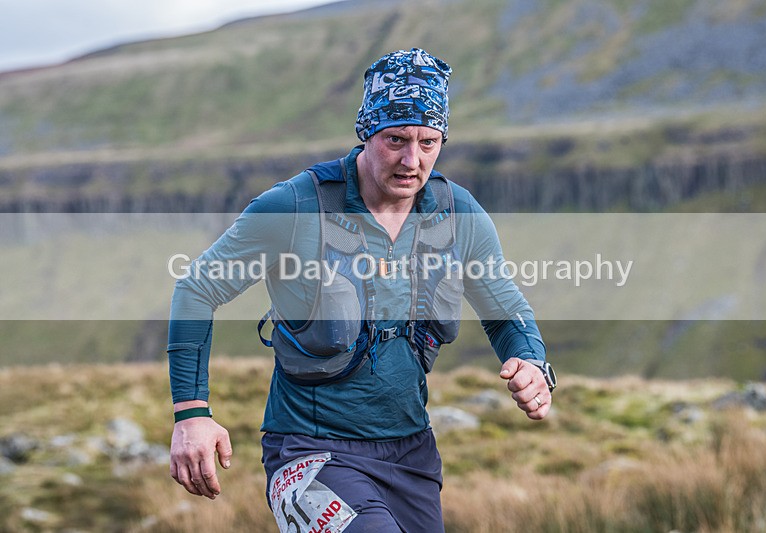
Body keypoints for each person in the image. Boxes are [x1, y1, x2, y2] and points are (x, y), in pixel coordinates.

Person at [167, 48, 555, 532]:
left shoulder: (458, 214)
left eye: (428, 142)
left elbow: (506, 310)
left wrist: (533, 364)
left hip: (412, 454)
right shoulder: (294, 207)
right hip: (308, 453)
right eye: (395, 139)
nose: (412, 160)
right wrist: (191, 414)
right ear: (366, 133)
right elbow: (198, 288)